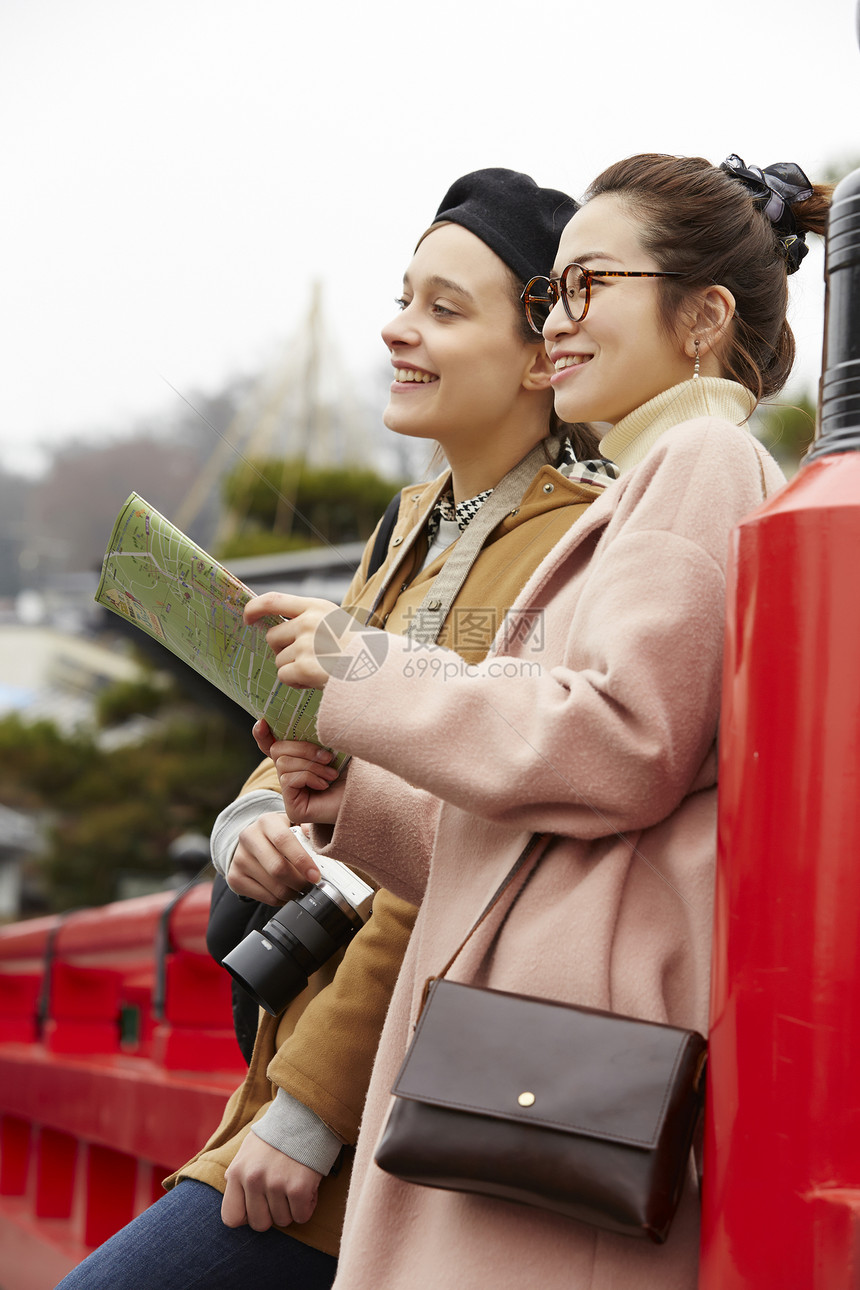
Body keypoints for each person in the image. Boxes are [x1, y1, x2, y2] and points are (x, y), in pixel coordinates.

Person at [244, 153, 830, 1289]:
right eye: (549, 295)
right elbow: (572, 814)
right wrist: (360, 800)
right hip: (547, 1054)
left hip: (555, 1054)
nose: (556, 323)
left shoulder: (698, 460)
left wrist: (363, 663)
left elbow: (619, 744)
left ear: (701, 316)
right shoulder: (652, 479)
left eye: (587, 287)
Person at [54, 168, 611, 1289]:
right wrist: (252, 826)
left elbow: (468, 849)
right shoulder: (411, 520)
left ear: (542, 354)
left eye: (445, 310)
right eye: (404, 297)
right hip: (308, 1067)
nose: (397, 330)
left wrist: (309, 1108)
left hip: (389, 1106)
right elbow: (305, 743)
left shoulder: (570, 547)